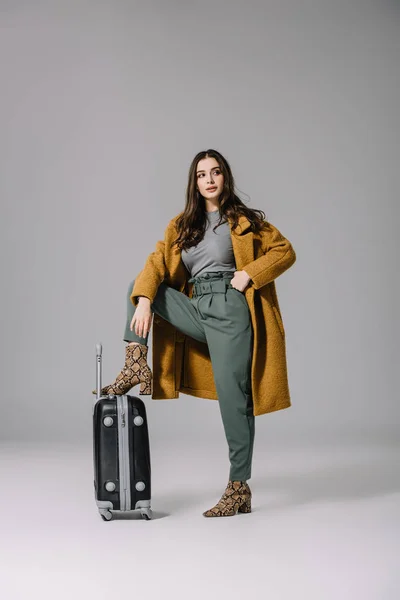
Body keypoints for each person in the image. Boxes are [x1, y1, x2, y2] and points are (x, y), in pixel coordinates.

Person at [93, 148, 296, 517]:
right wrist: (143, 302)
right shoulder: (182, 225)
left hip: (231, 309)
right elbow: (157, 263)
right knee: (139, 286)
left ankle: (239, 488)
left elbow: (284, 251)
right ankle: (136, 364)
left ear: (225, 177)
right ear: (195, 182)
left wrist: (249, 274)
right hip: (196, 303)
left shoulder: (244, 221)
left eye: (215, 172)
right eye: (202, 174)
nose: (209, 179)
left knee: (234, 400)